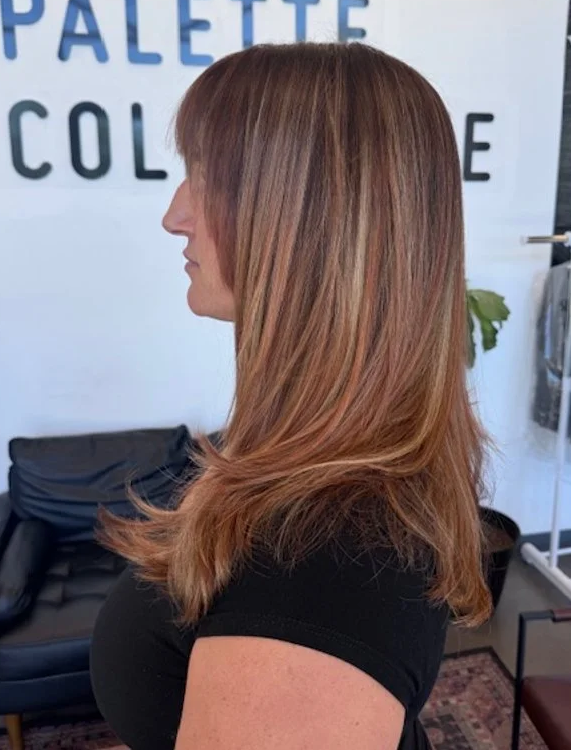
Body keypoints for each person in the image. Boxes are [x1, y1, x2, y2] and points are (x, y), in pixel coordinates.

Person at [90, 42, 491, 750]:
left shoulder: (320, 555)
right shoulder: (321, 466)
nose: (175, 215)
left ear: (306, 223)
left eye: (205, 178)